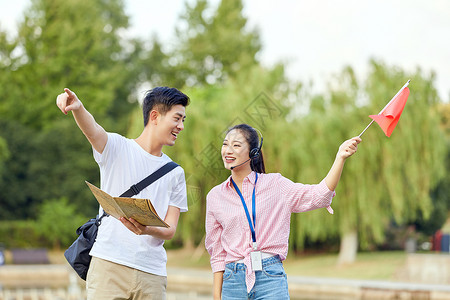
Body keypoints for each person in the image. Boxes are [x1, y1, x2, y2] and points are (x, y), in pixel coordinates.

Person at [56, 87, 190, 300]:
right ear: (155, 116)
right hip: (109, 264)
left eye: (183, 120)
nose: (181, 126)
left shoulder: (176, 173)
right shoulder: (117, 147)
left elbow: (170, 229)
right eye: (177, 118)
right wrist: (78, 107)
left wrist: (146, 229)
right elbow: (92, 130)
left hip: (152, 273)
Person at [205, 123, 361, 300]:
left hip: (270, 277)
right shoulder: (215, 196)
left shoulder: (276, 185)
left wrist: (340, 158)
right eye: (225, 144)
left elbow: (319, 195)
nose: (228, 150)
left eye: (236, 145)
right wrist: (217, 296)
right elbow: (217, 254)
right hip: (232, 281)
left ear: (253, 152)